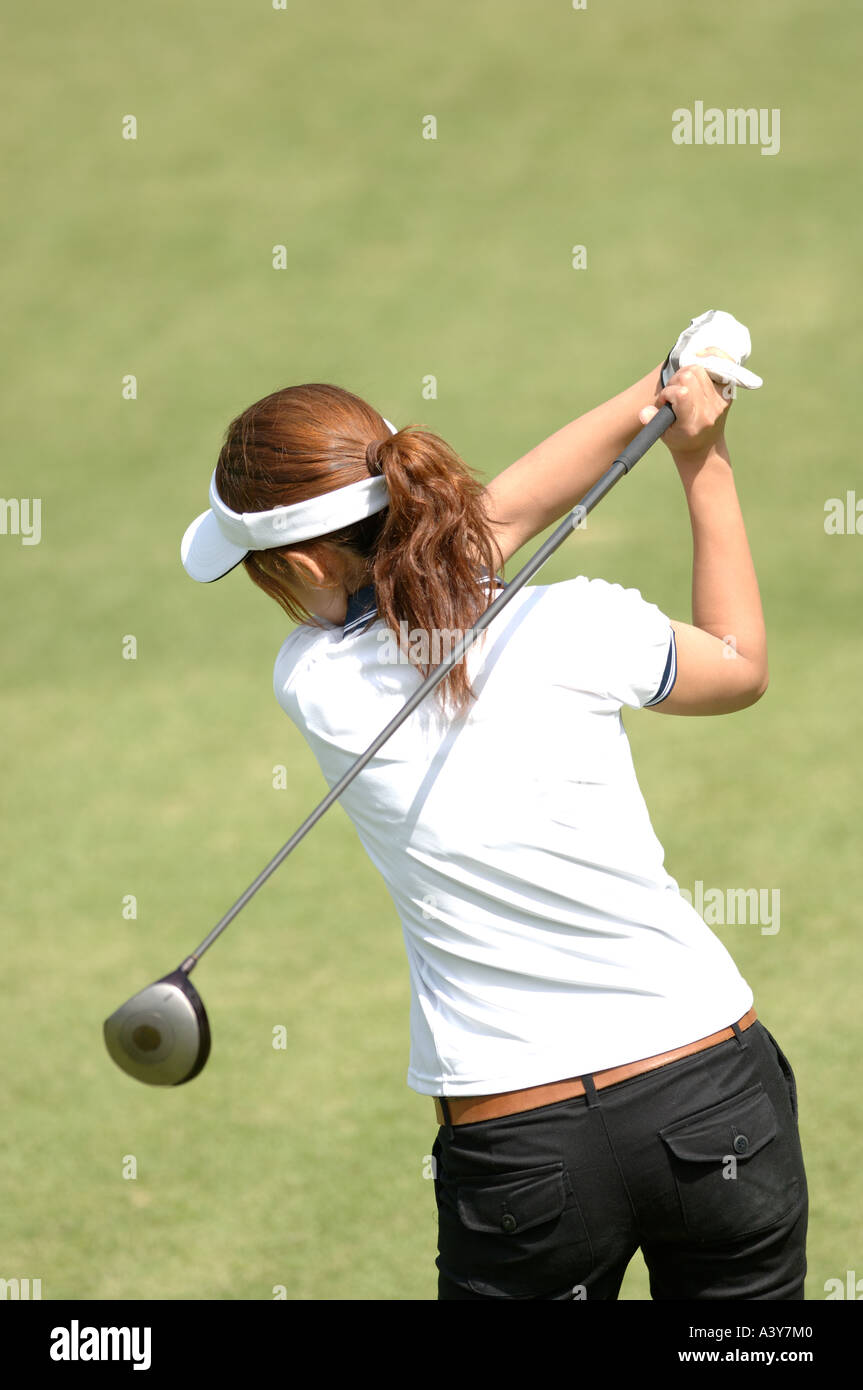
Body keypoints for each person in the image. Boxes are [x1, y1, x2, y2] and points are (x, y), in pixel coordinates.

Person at [180, 312, 807, 1300]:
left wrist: (661, 386)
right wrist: (696, 442)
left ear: (299, 566)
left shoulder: (312, 682)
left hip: (523, 1151)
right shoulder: (577, 621)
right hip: (712, 1086)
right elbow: (737, 667)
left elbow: (479, 529)